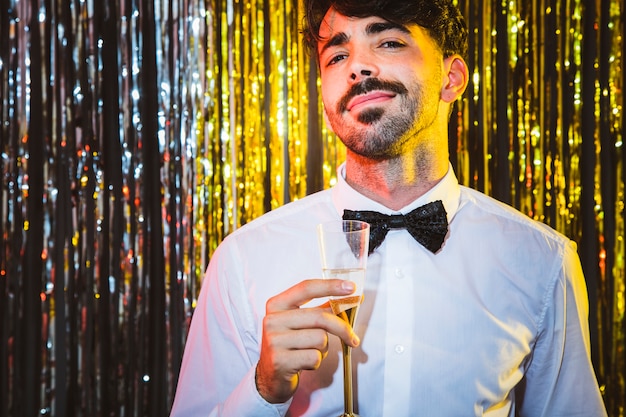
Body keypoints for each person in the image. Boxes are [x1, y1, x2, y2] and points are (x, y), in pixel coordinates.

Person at [170, 0, 608, 415]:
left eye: (388, 41)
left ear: (451, 78)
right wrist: (263, 390)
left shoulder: (544, 261)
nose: (357, 66)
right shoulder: (243, 259)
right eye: (336, 56)